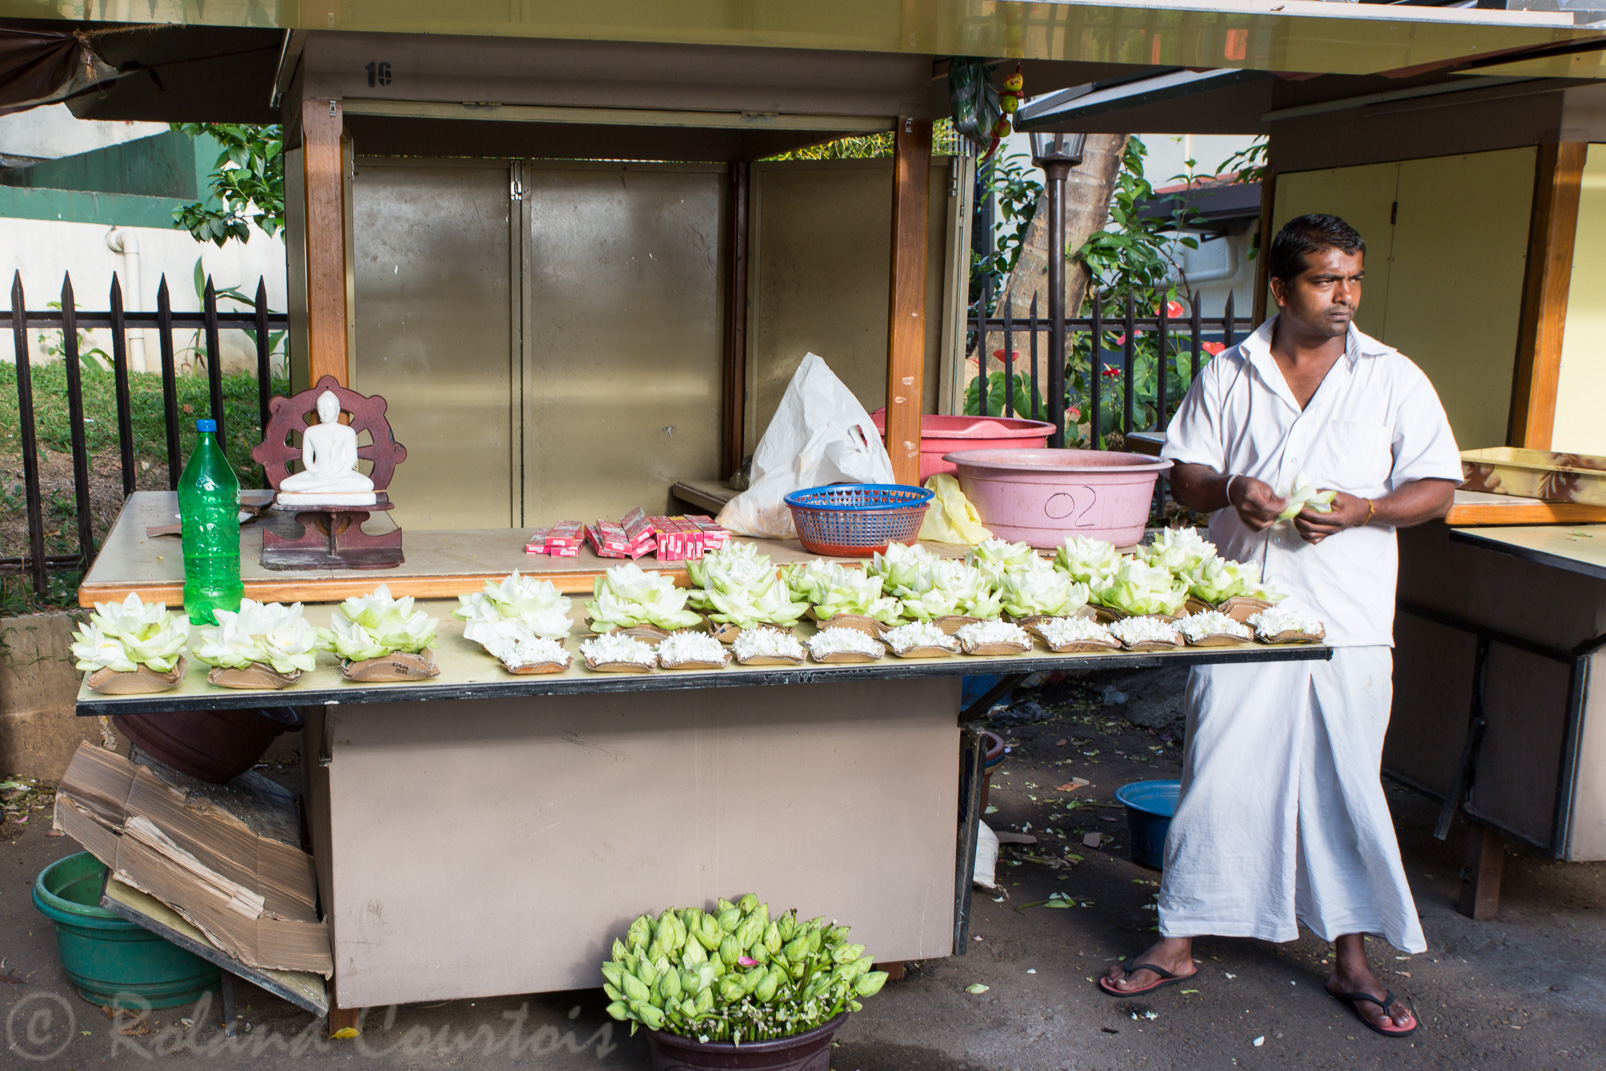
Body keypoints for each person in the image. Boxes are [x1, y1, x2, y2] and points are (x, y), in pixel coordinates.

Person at [1097, 214, 1464, 1039]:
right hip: (1241, 612)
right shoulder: (1231, 373)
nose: (1344, 296)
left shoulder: (1392, 377)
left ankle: (1353, 959)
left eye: (1354, 279)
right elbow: (1184, 475)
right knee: (1221, 764)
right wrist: (1233, 490)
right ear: (1282, 287)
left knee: (1346, 780)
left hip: (1349, 613)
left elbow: (1437, 484)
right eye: (1326, 280)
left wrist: (1369, 506)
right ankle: (1180, 935)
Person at [279, 390, 375, 499]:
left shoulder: (348, 432)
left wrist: (338, 475)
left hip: (341, 475)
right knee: (285, 485)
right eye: (321, 410)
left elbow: (351, 459)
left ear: (337, 410)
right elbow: (307, 459)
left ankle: (316, 491)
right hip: (317, 475)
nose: (325, 413)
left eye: (329, 409)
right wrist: (315, 473)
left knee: (367, 485)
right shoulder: (310, 432)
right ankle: (327, 488)